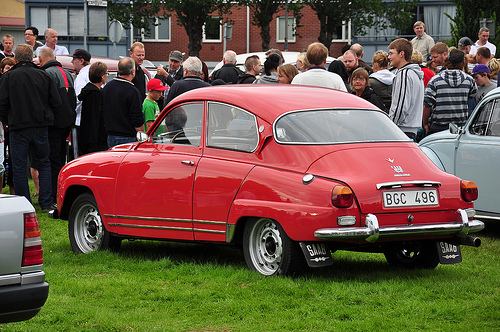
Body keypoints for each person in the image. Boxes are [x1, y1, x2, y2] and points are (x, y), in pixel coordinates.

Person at [0, 44, 62, 211]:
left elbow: (2, 104)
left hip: (18, 126)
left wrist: (7, 120)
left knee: (19, 166)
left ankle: (25, 204)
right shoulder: (44, 75)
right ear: (32, 57)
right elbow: (56, 102)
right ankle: (46, 202)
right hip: (40, 126)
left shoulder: (8, 77)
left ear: (16, 59)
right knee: (44, 163)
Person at [39, 47, 77, 203]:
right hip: (67, 122)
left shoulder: (47, 74)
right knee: (61, 159)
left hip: (54, 124)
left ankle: (54, 194)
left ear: (41, 60)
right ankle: (61, 191)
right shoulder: (67, 73)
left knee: (52, 160)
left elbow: (47, 100)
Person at [423, 49, 477, 136]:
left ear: (447, 60)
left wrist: (425, 123)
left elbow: (427, 105)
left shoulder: (435, 80)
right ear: (463, 63)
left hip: (438, 127)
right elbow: (473, 95)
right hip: (460, 128)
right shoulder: (469, 80)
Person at [102, 57, 145, 148]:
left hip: (110, 135)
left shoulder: (107, 87)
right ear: (132, 72)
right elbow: (137, 117)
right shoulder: (132, 91)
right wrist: (142, 135)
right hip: (127, 137)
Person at [387, 38, 424, 139]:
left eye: (391, 53)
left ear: (401, 54)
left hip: (402, 129)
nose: (389, 57)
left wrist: (390, 126)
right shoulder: (414, 73)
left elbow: (401, 106)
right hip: (410, 129)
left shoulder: (404, 74)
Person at [78, 61, 108, 155]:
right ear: (102, 76)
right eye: (106, 73)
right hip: (94, 140)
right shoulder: (95, 94)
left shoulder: (89, 91)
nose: (107, 76)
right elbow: (94, 119)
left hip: (86, 136)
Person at [72, 49, 92, 158]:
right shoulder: (94, 73)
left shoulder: (81, 77)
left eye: (74, 59)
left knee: (80, 155)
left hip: (81, 121)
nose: (72, 62)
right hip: (93, 121)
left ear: (81, 61)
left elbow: (78, 99)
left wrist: (73, 112)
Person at [0, 58, 15, 194]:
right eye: (6, 68)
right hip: (2, 127)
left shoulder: (16, 85)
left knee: (13, 159)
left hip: (12, 126)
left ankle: (12, 191)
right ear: (1, 70)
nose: (8, 70)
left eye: (11, 67)